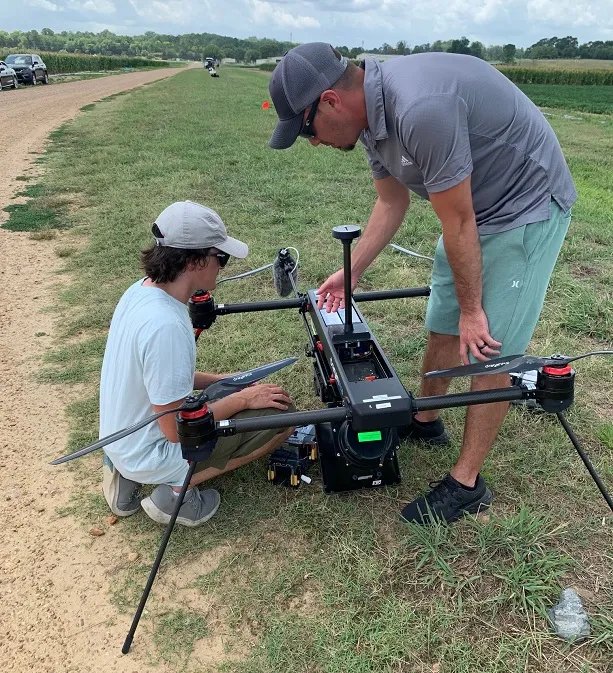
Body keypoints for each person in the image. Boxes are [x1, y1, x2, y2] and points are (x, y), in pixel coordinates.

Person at [267, 43, 576, 524]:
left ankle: (467, 483)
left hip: (523, 206)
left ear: (331, 101)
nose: (312, 141)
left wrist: (475, 312)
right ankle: (427, 421)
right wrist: (351, 275)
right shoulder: (370, 122)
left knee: (490, 348)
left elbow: (458, 221)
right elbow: (392, 203)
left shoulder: (420, 108)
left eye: (307, 129)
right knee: (442, 323)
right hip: (472, 214)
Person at [100, 201, 295, 527]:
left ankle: (123, 474)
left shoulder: (139, 292)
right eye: (222, 258)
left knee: (224, 397)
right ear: (195, 261)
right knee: (284, 417)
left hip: (118, 437)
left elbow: (158, 377)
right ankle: (176, 493)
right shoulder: (167, 326)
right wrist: (243, 399)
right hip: (152, 449)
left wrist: (222, 380)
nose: (223, 267)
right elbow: (177, 428)